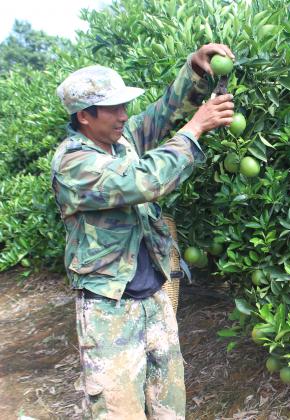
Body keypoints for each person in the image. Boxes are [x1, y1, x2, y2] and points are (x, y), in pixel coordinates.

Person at [51, 42, 235, 418]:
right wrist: (197, 127)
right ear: (84, 116)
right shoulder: (75, 163)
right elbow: (146, 180)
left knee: (169, 405)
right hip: (109, 310)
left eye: (124, 106)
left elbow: (164, 113)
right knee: (120, 411)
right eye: (113, 108)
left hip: (153, 298)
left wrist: (195, 71)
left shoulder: (121, 142)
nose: (124, 115)